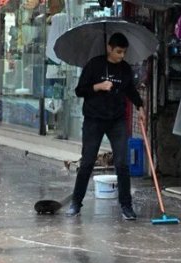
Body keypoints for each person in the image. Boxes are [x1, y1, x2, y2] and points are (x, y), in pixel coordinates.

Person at [67, 32, 147, 220]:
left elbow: (130, 90)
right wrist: (98, 86)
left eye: (124, 53)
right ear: (109, 48)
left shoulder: (125, 69)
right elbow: (79, 90)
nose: (121, 56)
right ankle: (76, 203)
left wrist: (140, 106)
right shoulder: (94, 65)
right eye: (118, 52)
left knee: (122, 163)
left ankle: (126, 206)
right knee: (87, 162)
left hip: (117, 120)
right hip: (94, 119)